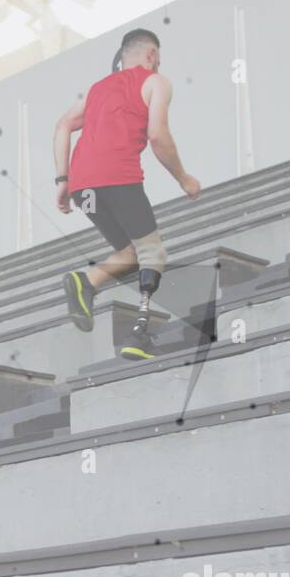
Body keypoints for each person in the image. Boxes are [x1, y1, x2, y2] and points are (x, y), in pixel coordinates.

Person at [53, 28, 200, 360]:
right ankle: (140, 335)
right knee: (153, 253)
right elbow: (159, 136)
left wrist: (62, 179)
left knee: (129, 253)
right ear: (151, 56)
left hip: (83, 187)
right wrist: (184, 179)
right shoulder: (155, 82)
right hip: (117, 177)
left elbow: (62, 125)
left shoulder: (96, 90)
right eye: (158, 61)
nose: (158, 67)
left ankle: (85, 282)